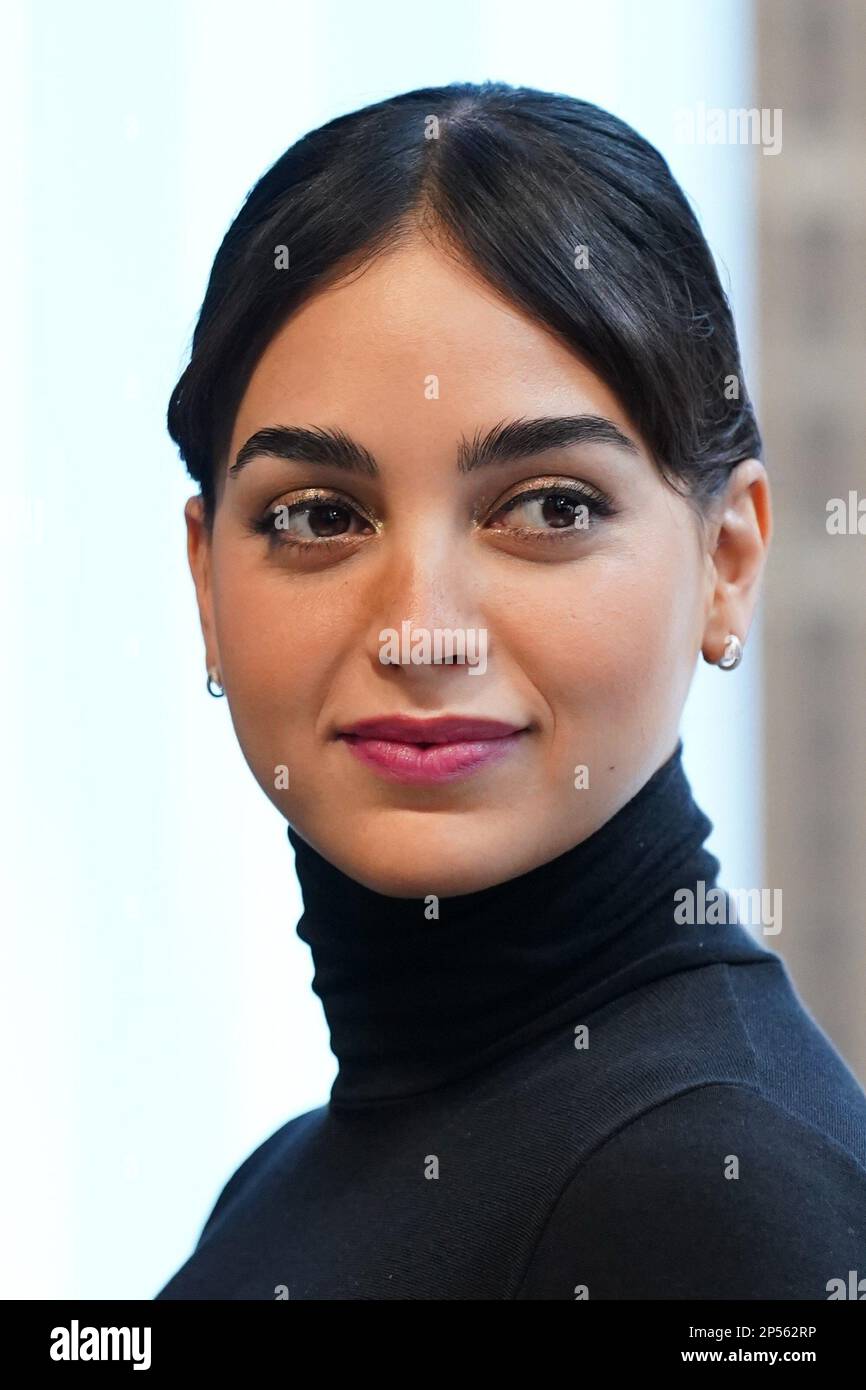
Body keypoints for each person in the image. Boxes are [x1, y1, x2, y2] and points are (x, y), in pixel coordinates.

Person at [155, 81, 866, 1299]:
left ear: (725, 565)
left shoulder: (714, 1198)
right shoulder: (288, 1178)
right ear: (207, 579)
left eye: (548, 508)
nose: (421, 634)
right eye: (319, 515)